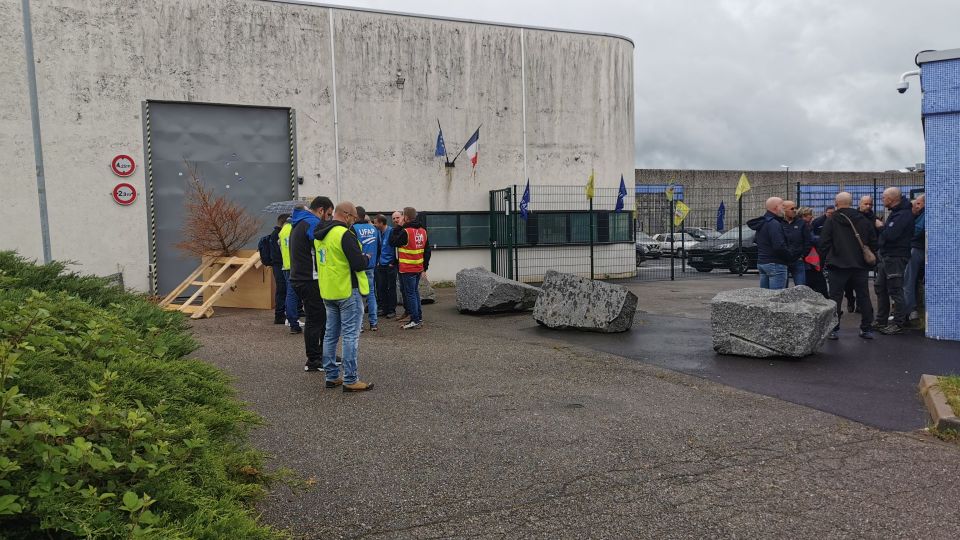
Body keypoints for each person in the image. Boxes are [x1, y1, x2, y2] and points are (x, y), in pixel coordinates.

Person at [315, 201, 374, 392]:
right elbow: (357, 264)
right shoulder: (344, 235)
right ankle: (350, 379)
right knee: (350, 335)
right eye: (354, 218)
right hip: (348, 291)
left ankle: (331, 376)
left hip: (329, 291)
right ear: (347, 215)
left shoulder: (319, 235)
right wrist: (365, 258)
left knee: (330, 335)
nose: (354, 222)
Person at [819, 192, 878, 340]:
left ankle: (833, 329)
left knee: (835, 298)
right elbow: (874, 242)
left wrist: (822, 263)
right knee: (863, 295)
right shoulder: (863, 220)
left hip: (837, 265)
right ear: (851, 203)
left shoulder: (832, 220)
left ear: (836, 203)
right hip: (860, 265)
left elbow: (823, 244)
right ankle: (866, 328)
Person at [289, 196, 335, 372]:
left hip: (299, 278)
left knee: (318, 318)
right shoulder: (312, 223)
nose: (329, 218)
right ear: (321, 210)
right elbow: (321, 243)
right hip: (310, 279)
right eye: (329, 214)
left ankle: (324, 354)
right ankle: (314, 360)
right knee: (316, 320)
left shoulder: (298, 222)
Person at [874, 187, 915, 335]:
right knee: (880, 287)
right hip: (887, 257)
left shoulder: (903, 214)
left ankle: (898, 323)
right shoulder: (896, 213)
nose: (882, 200)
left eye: (883, 197)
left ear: (891, 199)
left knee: (895, 290)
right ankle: (881, 320)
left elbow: (891, 235)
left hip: (896, 257)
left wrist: (880, 227)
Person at [390, 206, 430, 329]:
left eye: (402, 216)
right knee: (415, 293)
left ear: (406, 217)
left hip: (407, 268)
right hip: (418, 267)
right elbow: (427, 251)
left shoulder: (405, 231)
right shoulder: (423, 231)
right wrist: (424, 267)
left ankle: (415, 320)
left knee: (410, 294)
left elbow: (392, 241)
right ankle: (419, 317)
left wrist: (399, 227)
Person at [844, 195, 881, 313]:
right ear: (860, 204)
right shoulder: (853, 216)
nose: (868, 206)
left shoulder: (873, 218)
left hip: (866, 253)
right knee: (848, 282)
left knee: (862, 281)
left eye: (870, 204)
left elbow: (875, 236)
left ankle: (860, 304)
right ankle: (850, 299)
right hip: (852, 252)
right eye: (866, 204)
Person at [747, 197, 791, 290]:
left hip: (763, 262)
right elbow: (779, 245)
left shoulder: (763, 222)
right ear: (776, 207)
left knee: (765, 297)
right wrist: (789, 256)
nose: (784, 208)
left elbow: (756, 240)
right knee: (776, 297)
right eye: (782, 206)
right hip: (775, 263)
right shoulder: (774, 224)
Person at [352, 206, 379, 331]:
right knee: (371, 294)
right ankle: (373, 323)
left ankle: (360, 325)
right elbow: (378, 247)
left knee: (358, 296)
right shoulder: (374, 229)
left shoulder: (353, 229)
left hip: (359, 266)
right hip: (371, 266)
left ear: (356, 216)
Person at [276, 212, 302, 331]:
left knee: (290, 293)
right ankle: (293, 322)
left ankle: (292, 319)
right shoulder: (293, 229)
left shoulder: (281, 232)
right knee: (293, 294)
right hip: (295, 265)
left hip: (285, 265)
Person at [902, 194, 925, 324]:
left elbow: (917, 230)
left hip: (917, 249)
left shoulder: (923, 216)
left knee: (908, 280)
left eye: (918, 203)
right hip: (919, 248)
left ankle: (908, 311)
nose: (915, 206)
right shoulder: (921, 215)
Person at [799, 207, 829, 298]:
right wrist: (822, 238)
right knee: (819, 282)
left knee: (811, 281)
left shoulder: (805, 225)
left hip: (808, 259)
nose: (811, 217)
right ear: (803, 216)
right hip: (809, 259)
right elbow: (811, 239)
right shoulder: (805, 226)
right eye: (809, 215)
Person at [373, 214, 398, 319]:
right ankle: (384, 308)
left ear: (381, 223)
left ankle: (392, 310)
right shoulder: (378, 232)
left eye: (376, 222)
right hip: (381, 264)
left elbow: (396, 248)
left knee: (391, 288)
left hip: (390, 265)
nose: (374, 224)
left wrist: (394, 262)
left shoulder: (392, 231)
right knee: (381, 287)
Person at [781, 200, 810, 287]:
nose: (795, 210)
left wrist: (802, 255)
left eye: (796, 208)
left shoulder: (801, 223)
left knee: (801, 288)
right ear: (784, 210)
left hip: (798, 260)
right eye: (792, 208)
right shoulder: (778, 223)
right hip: (783, 261)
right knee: (782, 289)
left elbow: (808, 241)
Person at [269, 214, 288, 325]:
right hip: (279, 264)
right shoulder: (278, 234)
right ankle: (279, 315)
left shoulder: (275, 234)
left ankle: (281, 313)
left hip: (278, 264)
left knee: (282, 289)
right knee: (282, 289)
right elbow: (279, 252)